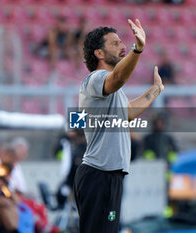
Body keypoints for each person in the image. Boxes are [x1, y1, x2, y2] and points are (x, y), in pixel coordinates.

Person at [73, 19, 165, 233]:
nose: (123, 46)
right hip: (99, 175)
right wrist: (138, 48)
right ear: (99, 54)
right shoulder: (96, 79)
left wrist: (156, 89)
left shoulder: (111, 89)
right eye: (115, 43)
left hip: (108, 176)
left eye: (122, 42)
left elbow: (127, 113)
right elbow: (119, 78)